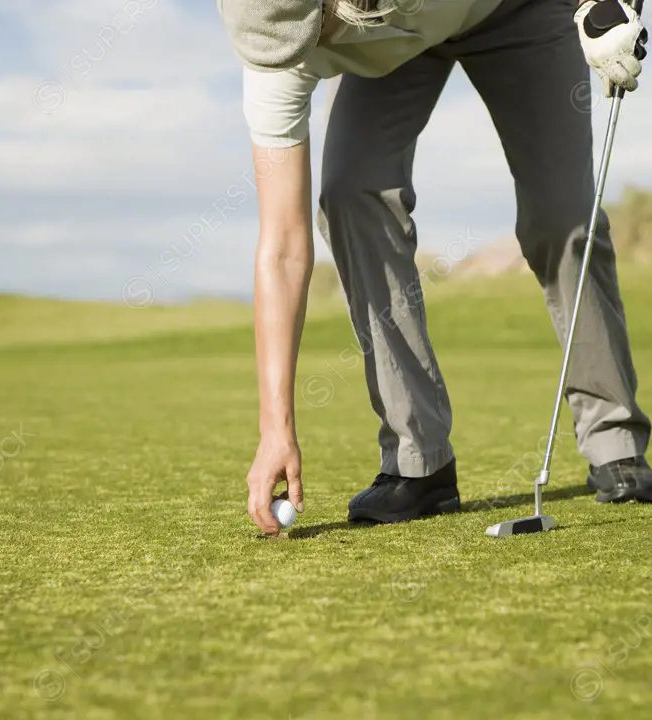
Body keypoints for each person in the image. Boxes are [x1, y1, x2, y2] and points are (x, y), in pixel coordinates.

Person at [218, 0, 651, 534]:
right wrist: (274, 429)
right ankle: (417, 459)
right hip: (389, 38)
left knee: (561, 215)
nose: (313, 43)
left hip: (517, 8)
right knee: (352, 192)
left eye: (318, 28)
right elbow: (282, 246)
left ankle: (615, 442)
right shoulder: (274, 51)